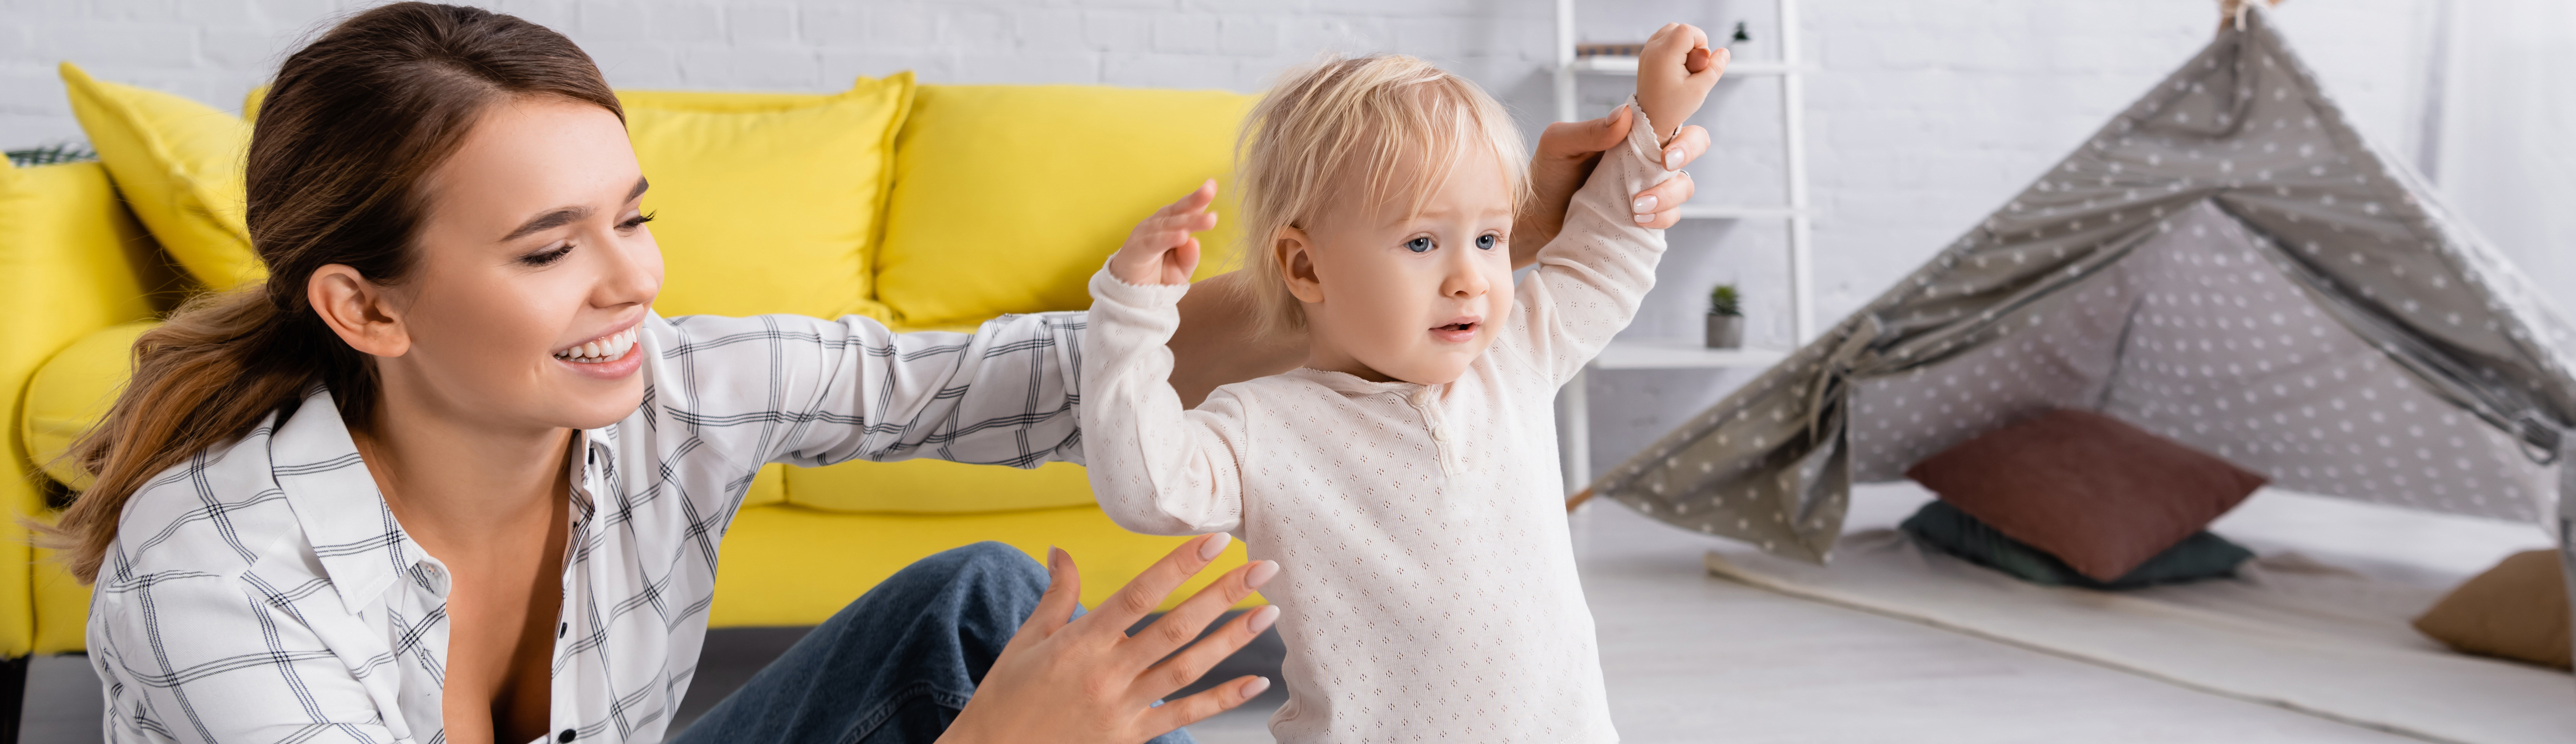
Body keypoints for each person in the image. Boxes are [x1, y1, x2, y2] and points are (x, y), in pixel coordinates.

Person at [47, 5, 1712, 744]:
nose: (632, 280)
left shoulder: (674, 389)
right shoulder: (223, 580)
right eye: (548, 249)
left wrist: (1436, 268)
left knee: (974, 601)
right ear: (367, 308)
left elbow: (1008, 382)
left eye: (629, 218)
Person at [1080, 26, 1723, 742]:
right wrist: (1131, 313)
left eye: (1489, 239)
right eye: (1422, 242)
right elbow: (1146, 488)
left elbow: (1604, 258)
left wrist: (1654, 124)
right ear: (1306, 269)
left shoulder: (1514, 357)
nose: (1472, 278)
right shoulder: (1263, 425)